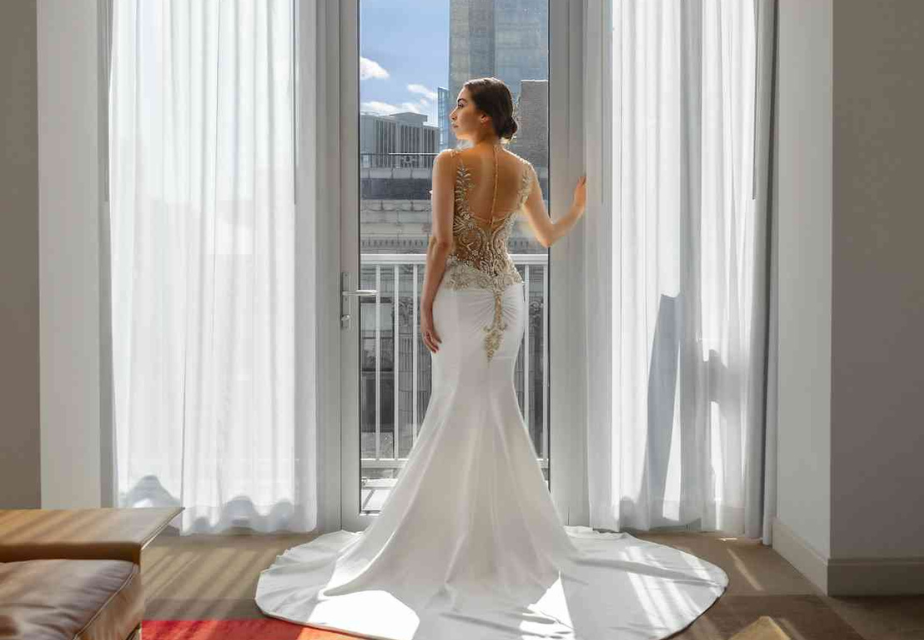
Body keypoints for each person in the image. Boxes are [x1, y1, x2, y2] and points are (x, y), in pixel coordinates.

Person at [255, 77, 728, 640]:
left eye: (461, 104)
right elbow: (547, 237)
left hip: (461, 298)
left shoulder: (449, 162)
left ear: (484, 117)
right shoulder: (525, 170)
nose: (454, 111)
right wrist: (578, 207)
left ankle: (456, 533)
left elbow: (440, 242)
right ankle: (496, 533)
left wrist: (425, 303)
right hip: (506, 296)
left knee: (457, 405)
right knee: (491, 409)